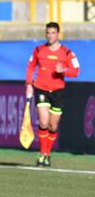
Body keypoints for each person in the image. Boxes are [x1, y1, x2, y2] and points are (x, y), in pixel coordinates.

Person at [25, 22, 80, 167]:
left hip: (58, 92)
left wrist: (64, 71)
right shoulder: (39, 50)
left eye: (53, 33)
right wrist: (29, 84)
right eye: (48, 33)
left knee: (53, 125)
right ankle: (43, 154)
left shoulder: (67, 53)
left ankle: (47, 154)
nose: (50, 35)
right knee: (43, 122)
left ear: (58, 34)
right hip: (41, 88)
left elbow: (76, 71)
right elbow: (31, 67)